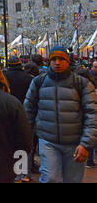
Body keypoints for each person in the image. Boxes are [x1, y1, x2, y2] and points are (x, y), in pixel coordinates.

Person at [24, 46, 97, 183]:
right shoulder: (39, 82)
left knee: (72, 180)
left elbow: (92, 115)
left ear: (68, 61)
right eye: (54, 59)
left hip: (75, 142)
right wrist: (25, 137)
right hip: (48, 140)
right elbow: (28, 111)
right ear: (49, 61)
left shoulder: (82, 84)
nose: (57, 62)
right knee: (50, 178)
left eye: (61, 59)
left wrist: (86, 144)